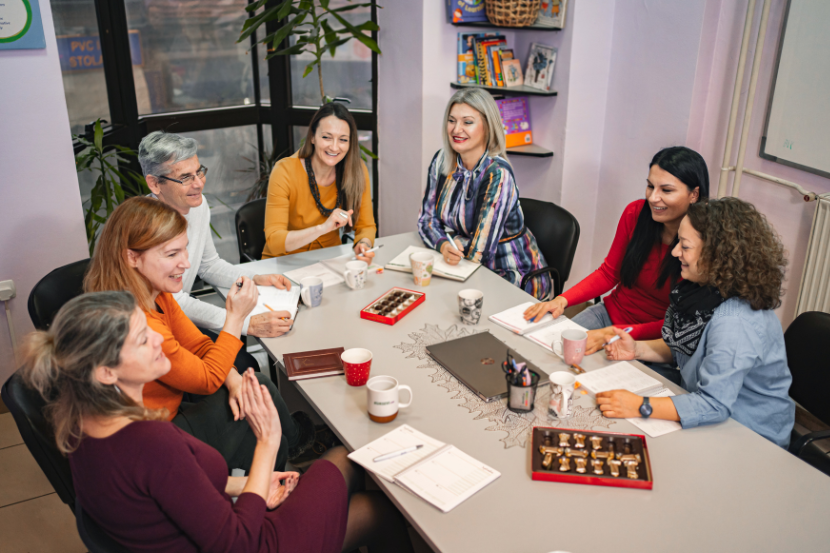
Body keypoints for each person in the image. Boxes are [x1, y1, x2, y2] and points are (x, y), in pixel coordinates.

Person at [21, 291, 415, 552]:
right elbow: (240, 544)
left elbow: (172, 487)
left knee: (351, 466)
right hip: (248, 540)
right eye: (143, 339)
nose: (158, 339)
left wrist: (250, 484)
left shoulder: (80, 423)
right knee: (370, 494)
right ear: (107, 372)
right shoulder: (148, 442)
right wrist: (267, 443)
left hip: (212, 522)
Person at [84, 197, 312, 471]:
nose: (186, 263)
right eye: (171, 254)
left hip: (167, 415)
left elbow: (200, 345)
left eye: (184, 250)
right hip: (158, 439)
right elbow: (206, 380)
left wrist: (233, 379)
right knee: (260, 391)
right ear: (132, 257)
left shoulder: (152, 292)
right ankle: (296, 448)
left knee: (253, 400)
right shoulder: (141, 324)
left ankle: (283, 462)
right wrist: (236, 317)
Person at [600, 197, 795, 448]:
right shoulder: (703, 290)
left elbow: (713, 405)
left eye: (685, 246)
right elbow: (691, 349)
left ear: (717, 256)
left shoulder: (734, 322)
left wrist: (640, 405)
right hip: (710, 411)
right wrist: (637, 349)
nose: (674, 252)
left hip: (750, 436)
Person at [524, 146, 710, 355]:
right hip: (610, 315)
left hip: (656, 341)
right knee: (548, 351)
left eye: (666, 190)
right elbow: (609, 272)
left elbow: (680, 324)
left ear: (694, 194)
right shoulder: (636, 213)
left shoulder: (703, 243)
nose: (653, 198)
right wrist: (561, 300)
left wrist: (613, 333)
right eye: (650, 186)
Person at [139, 130, 295, 338]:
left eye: (199, 171)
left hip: (178, 318)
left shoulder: (197, 204)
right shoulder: (145, 228)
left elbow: (208, 264)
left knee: (242, 360)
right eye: (185, 178)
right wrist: (244, 323)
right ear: (155, 184)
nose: (199, 184)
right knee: (240, 362)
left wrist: (254, 278)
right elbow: (172, 301)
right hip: (150, 330)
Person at [418, 88, 550, 299]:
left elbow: (481, 250)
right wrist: (443, 245)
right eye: (452, 120)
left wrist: (454, 244)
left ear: (488, 127)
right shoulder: (442, 160)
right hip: (463, 265)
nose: (456, 129)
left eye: (467, 122)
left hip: (510, 274)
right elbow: (426, 220)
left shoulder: (498, 173)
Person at [262, 102, 377, 261]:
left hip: (329, 262)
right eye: (326, 137)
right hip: (282, 263)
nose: (335, 147)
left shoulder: (356, 170)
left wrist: (363, 244)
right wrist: (323, 228)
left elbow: (366, 226)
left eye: (343, 140)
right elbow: (274, 242)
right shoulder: (284, 171)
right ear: (312, 137)